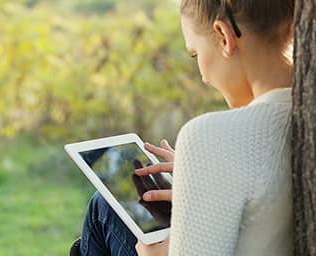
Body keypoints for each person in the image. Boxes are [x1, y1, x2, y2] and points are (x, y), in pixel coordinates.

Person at [73, 0, 296, 255]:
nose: (203, 76)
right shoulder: (313, 109)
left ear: (223, 36)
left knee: (103, 210)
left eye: (195, 53)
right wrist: (199, 178)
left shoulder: (209, 135)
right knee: (105, 205)